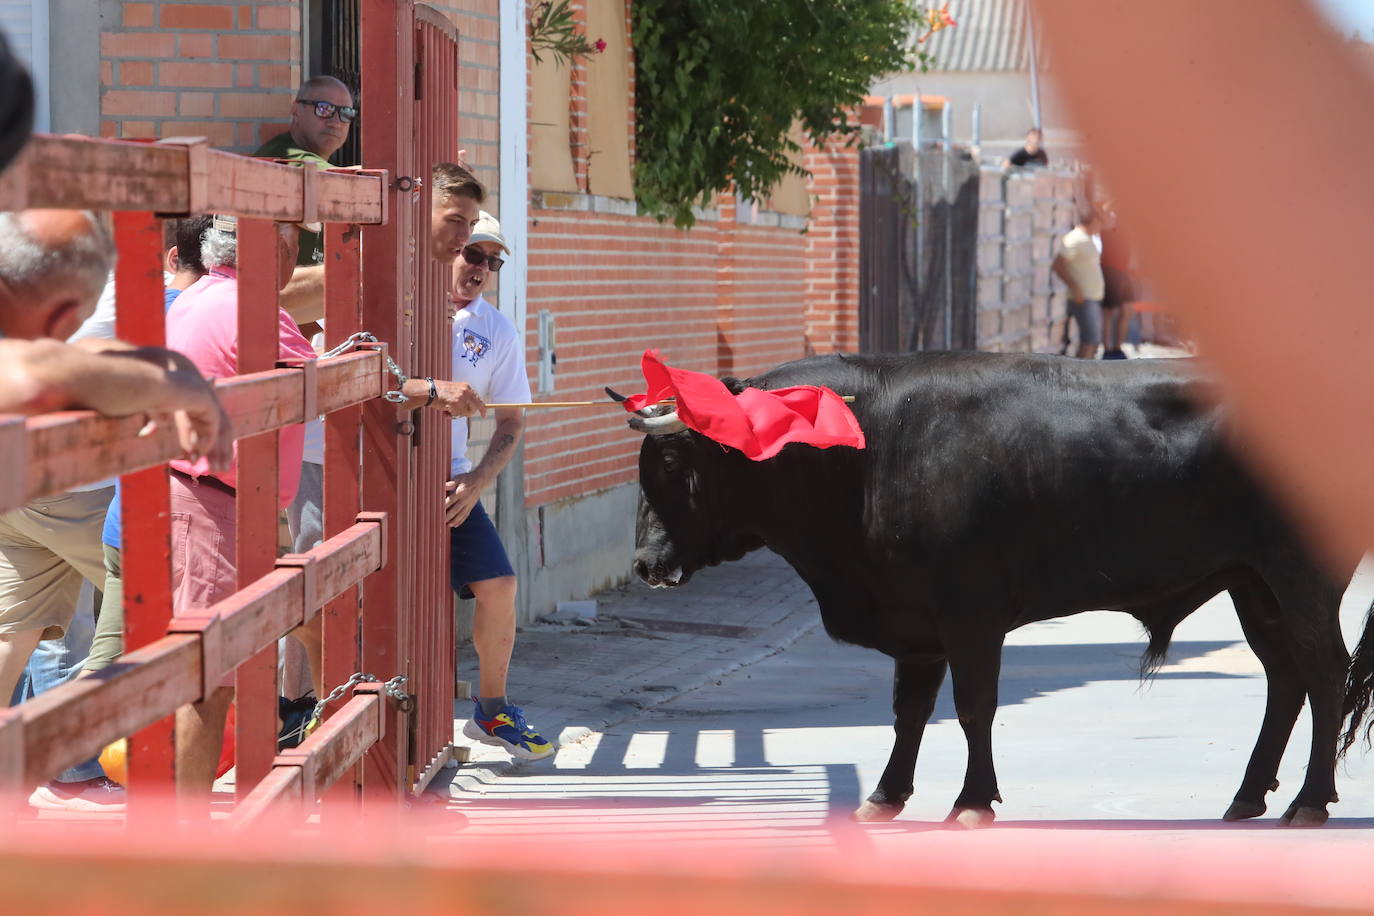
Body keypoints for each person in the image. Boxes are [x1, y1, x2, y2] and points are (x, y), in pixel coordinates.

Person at [0, 209, 231, 811]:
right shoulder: (141, 297)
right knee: (155, 614)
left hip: (21, 496)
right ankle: (81, 762)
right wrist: (170, 377)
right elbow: (69, 363)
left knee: (17, 633)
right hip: (73, 495)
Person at [163, 213, 317, 805]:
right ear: (267, 250)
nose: (296, 261)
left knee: (301, 619)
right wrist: (416, 388)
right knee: (211, 679)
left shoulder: (202, 294)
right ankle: (187, 831)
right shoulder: (247, 306)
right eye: (292, 246)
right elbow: (324, 383)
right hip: (214, 501)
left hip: (202, 496)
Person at [437, 204, 553, 761]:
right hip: (376, 480)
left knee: (501, 585)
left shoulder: (495, 329)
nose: (481, 267)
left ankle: (492, 710)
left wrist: (478, 481)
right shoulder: (401, 305)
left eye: (492, 260)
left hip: (451, 484)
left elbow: (511, 421)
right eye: (472, 252)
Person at [84, 216, 213, 678]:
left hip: (126, 516)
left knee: (112, 663)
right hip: (178, 521)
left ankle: (59, 743)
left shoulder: (137, 312)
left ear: (173, 257)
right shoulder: (211, 314)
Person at [254, 75, 357, 325]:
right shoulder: (285, 155)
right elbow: (344, 182)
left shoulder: (316, 161)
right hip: (263, 303)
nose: (335, 121)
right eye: (324, 109)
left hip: (298, 309)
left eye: (346, 113)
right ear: (296, 110)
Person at [1051, 207, 1105, 359]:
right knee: (1089, 341)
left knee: (1093, 342)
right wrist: (1076, 288)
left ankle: (1086, 375)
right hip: (1083, 298)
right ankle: (1080, 378)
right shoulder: (1075, 239)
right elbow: (1058, 265)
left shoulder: (1088, 239)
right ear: (1095, 221)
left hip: (1092, 297)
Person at [1098, 205, 1136, 360]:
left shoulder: (1126, 230)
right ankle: (1107, 350)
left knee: (1127, 310)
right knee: (1108, 312)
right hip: (1110, 272)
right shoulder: (1105, 230)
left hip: (1124, 273)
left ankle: (1117, 347)